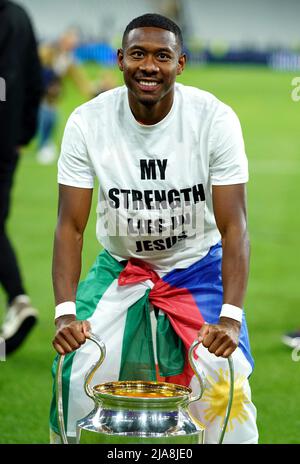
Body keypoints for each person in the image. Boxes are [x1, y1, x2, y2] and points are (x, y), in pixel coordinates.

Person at [50, 13, 258, 444]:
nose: (149, 66)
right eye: (138, 54)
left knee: (226, 381)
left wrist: (231, 319)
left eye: (162, 56)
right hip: (121, 265)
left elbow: (234, 225)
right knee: (73, 368)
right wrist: (65, 313)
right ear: (120, 59)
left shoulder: (214, 119)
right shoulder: (87, 122)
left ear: (180, 63)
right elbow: (70, 225)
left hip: (197, 265)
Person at [0, 0, 43, 354]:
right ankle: (17, 299)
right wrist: (22, 134)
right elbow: (34, 79)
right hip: (8, 144)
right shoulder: (20, 17)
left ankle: (18, 299)